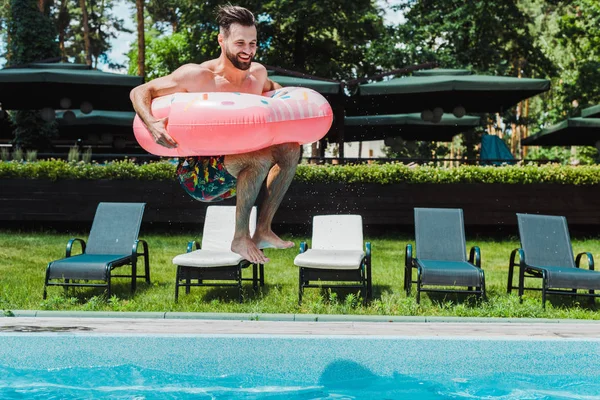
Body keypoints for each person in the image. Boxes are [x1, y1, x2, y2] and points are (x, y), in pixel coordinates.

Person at [130, 5, 300, 265]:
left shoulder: (257, 75)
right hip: (198, 175)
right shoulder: (198, 77)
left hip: (238, 170)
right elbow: (140, 91)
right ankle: (239, 238)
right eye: (240, 42)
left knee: (291, 148)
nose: (248, 50)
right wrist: (153, 125)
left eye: (253, 43)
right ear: (221, 40)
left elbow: (274, 90)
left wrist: (290, 101)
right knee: (259, 156)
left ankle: (263, 230)